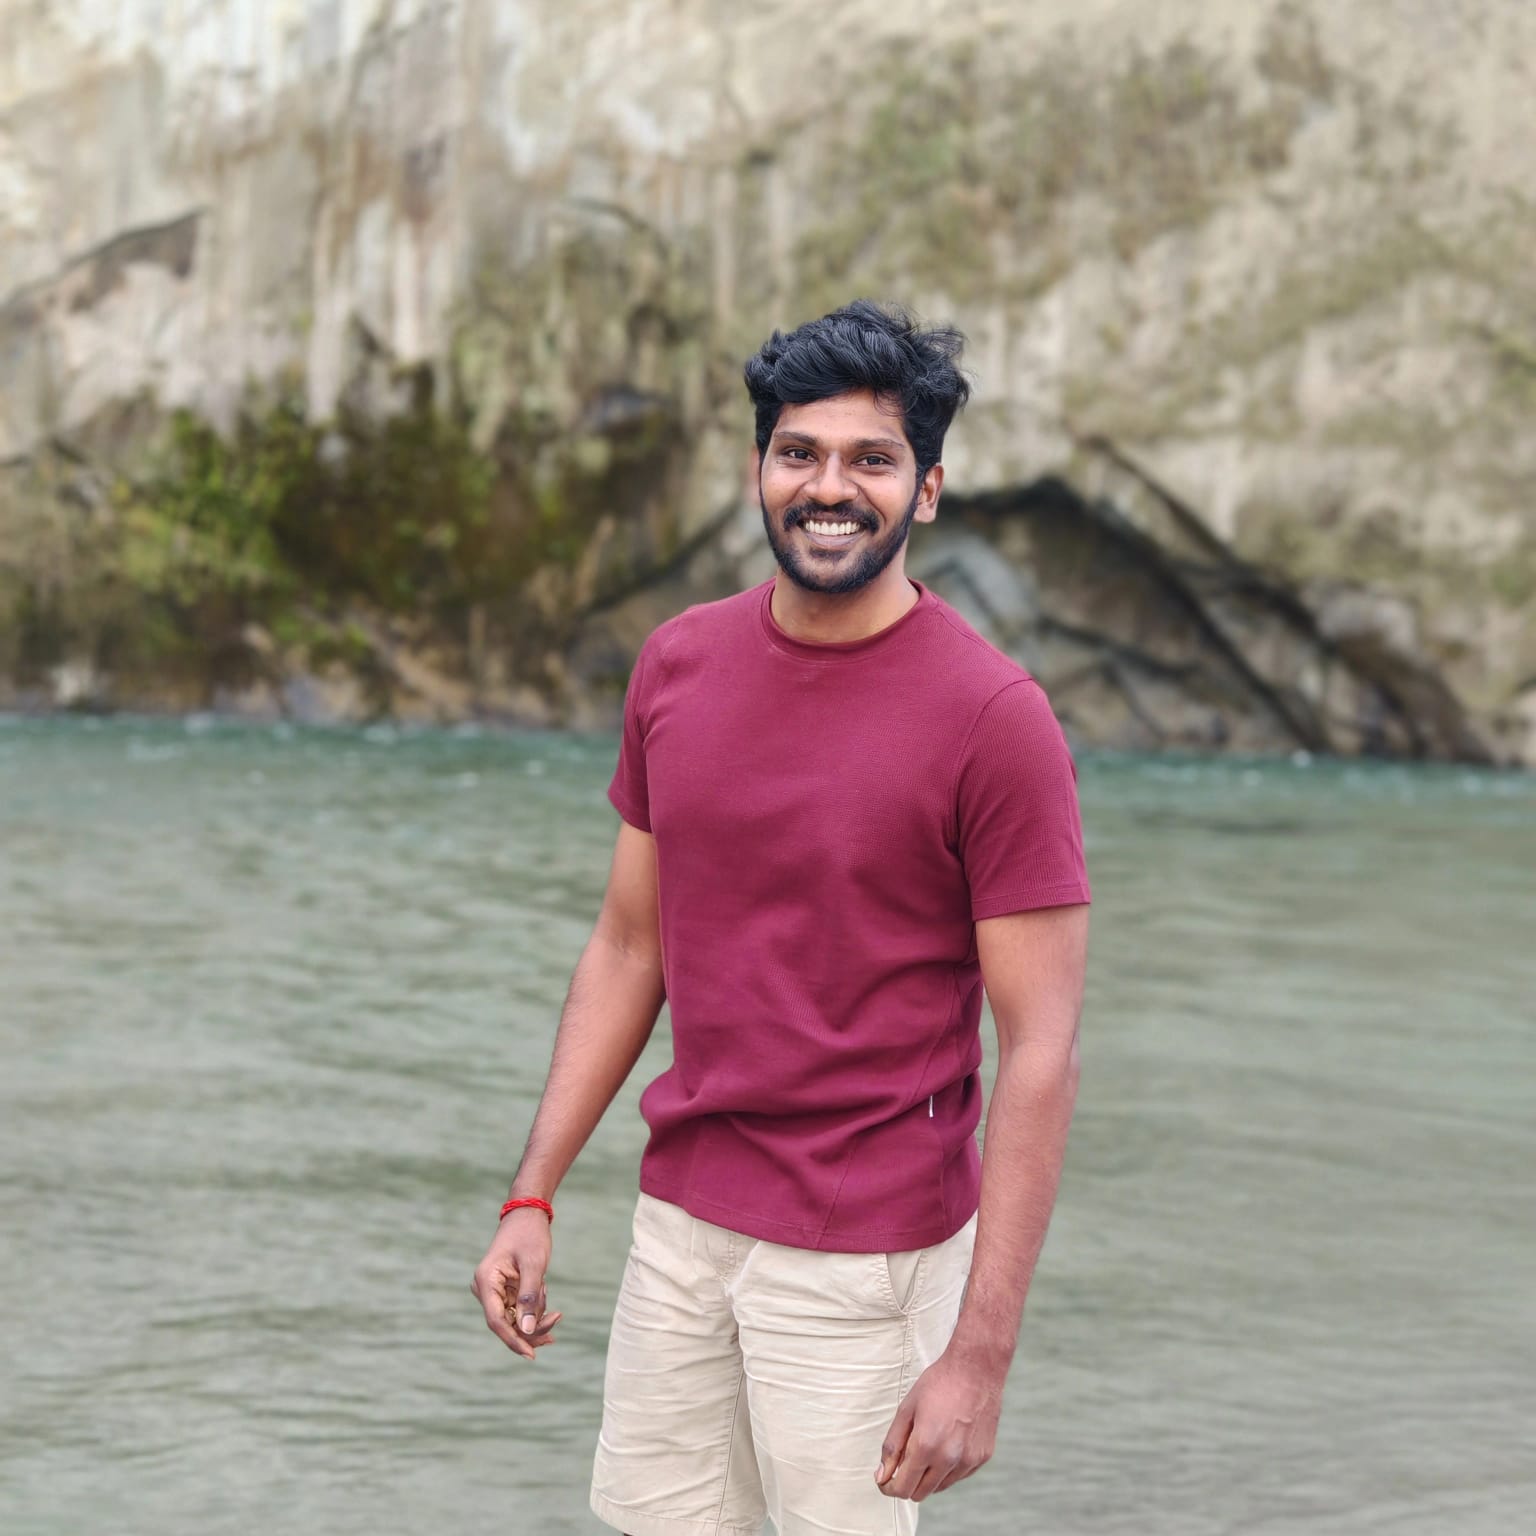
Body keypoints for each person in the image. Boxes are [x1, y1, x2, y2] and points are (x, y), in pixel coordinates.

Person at [472, 300, 1091, 1535]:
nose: (830, 487)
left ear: (926, 491)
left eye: (873, 459)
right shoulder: (678, 664)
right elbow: (631, 946)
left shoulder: (995, 719)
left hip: (867, 1259)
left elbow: (1042, 1049)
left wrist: (979, 1358)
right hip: (681, 1225)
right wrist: (532, 1194)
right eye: (799, 452)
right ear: (759, 469)